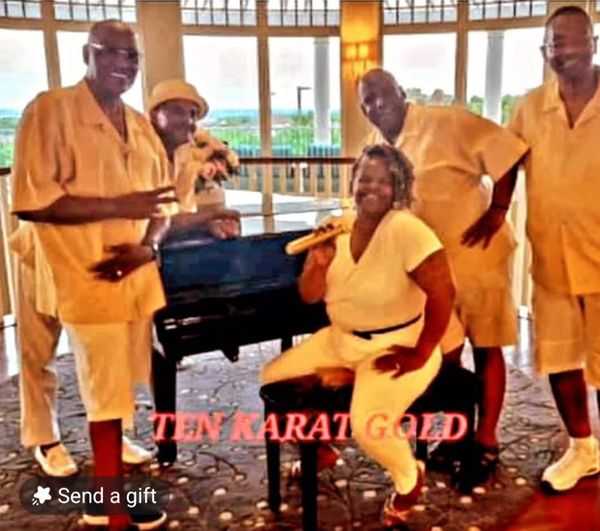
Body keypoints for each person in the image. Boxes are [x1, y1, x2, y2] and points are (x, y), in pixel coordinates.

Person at [11, 19, 179, 529]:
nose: (123, 64)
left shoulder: (140, 125)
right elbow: (33, 202)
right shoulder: (50, 110)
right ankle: (109, 504)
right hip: (83, 273)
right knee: (98, 387)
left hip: (133, 275)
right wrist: (120, 205)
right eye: (111, 52)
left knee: (115, 383)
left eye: (132, 57)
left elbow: (163, 204)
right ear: (87, 53)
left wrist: (149, 247)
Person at [262, 143, 455, 526]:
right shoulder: (337, 226)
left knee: (369, 424)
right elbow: (309, 295)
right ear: (353, 181)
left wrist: (420, 353)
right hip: (341, 338)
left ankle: (409, 479)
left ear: (398, 188)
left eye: (384, 181)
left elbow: (444, 294)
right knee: (273, 377)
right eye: (365, 178)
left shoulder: (407, 230)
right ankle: (321, 450)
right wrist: (318, 264)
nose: (372, 188)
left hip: (398, 343)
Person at [358, 68, 529, 490]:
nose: (376, 105)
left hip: (476, 258)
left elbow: (507, 152)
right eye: (367, 101)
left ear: (401, 91)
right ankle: (457, 435)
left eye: (382, 94)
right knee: (446, 357)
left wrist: (498, 210)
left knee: (486, 347)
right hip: (428, 273)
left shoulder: (447, 121)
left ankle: (486, 441)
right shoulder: (380, 147)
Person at [507, 5, 600, 492]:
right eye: (553, 43)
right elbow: (507, 161)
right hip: (552, 256)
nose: (562, 51)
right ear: (543, 52)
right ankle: (582, 449)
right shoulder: (530, 106)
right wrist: (493, 213)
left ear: (593, 43)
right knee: (560, 359)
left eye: (570, 40)